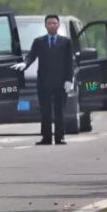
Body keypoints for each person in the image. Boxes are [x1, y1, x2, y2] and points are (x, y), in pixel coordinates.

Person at [11, 14, 73, 145]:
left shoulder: (66, 42)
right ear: (45, 26)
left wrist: (69, 79)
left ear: (58, 25)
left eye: (54, 23)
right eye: (49, 23)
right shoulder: (39, 41)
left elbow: (69, 62)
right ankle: (46, 137)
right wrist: (25, 64)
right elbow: (31, 56)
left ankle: (60, 137)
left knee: (59, 110)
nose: (52, 25)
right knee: (45, 111)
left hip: (60, 81)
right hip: (43, 81)